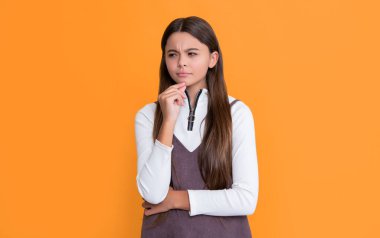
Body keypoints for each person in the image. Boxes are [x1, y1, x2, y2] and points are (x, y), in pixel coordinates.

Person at [134, 16, 259, 238]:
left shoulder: (236, 113)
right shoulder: (148, 116)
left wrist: (177, 199)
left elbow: (246, 199)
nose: (181, 62)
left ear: (212, 59)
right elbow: (152, 193)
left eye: (192, 54)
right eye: (173, 54)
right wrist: (168, 120)